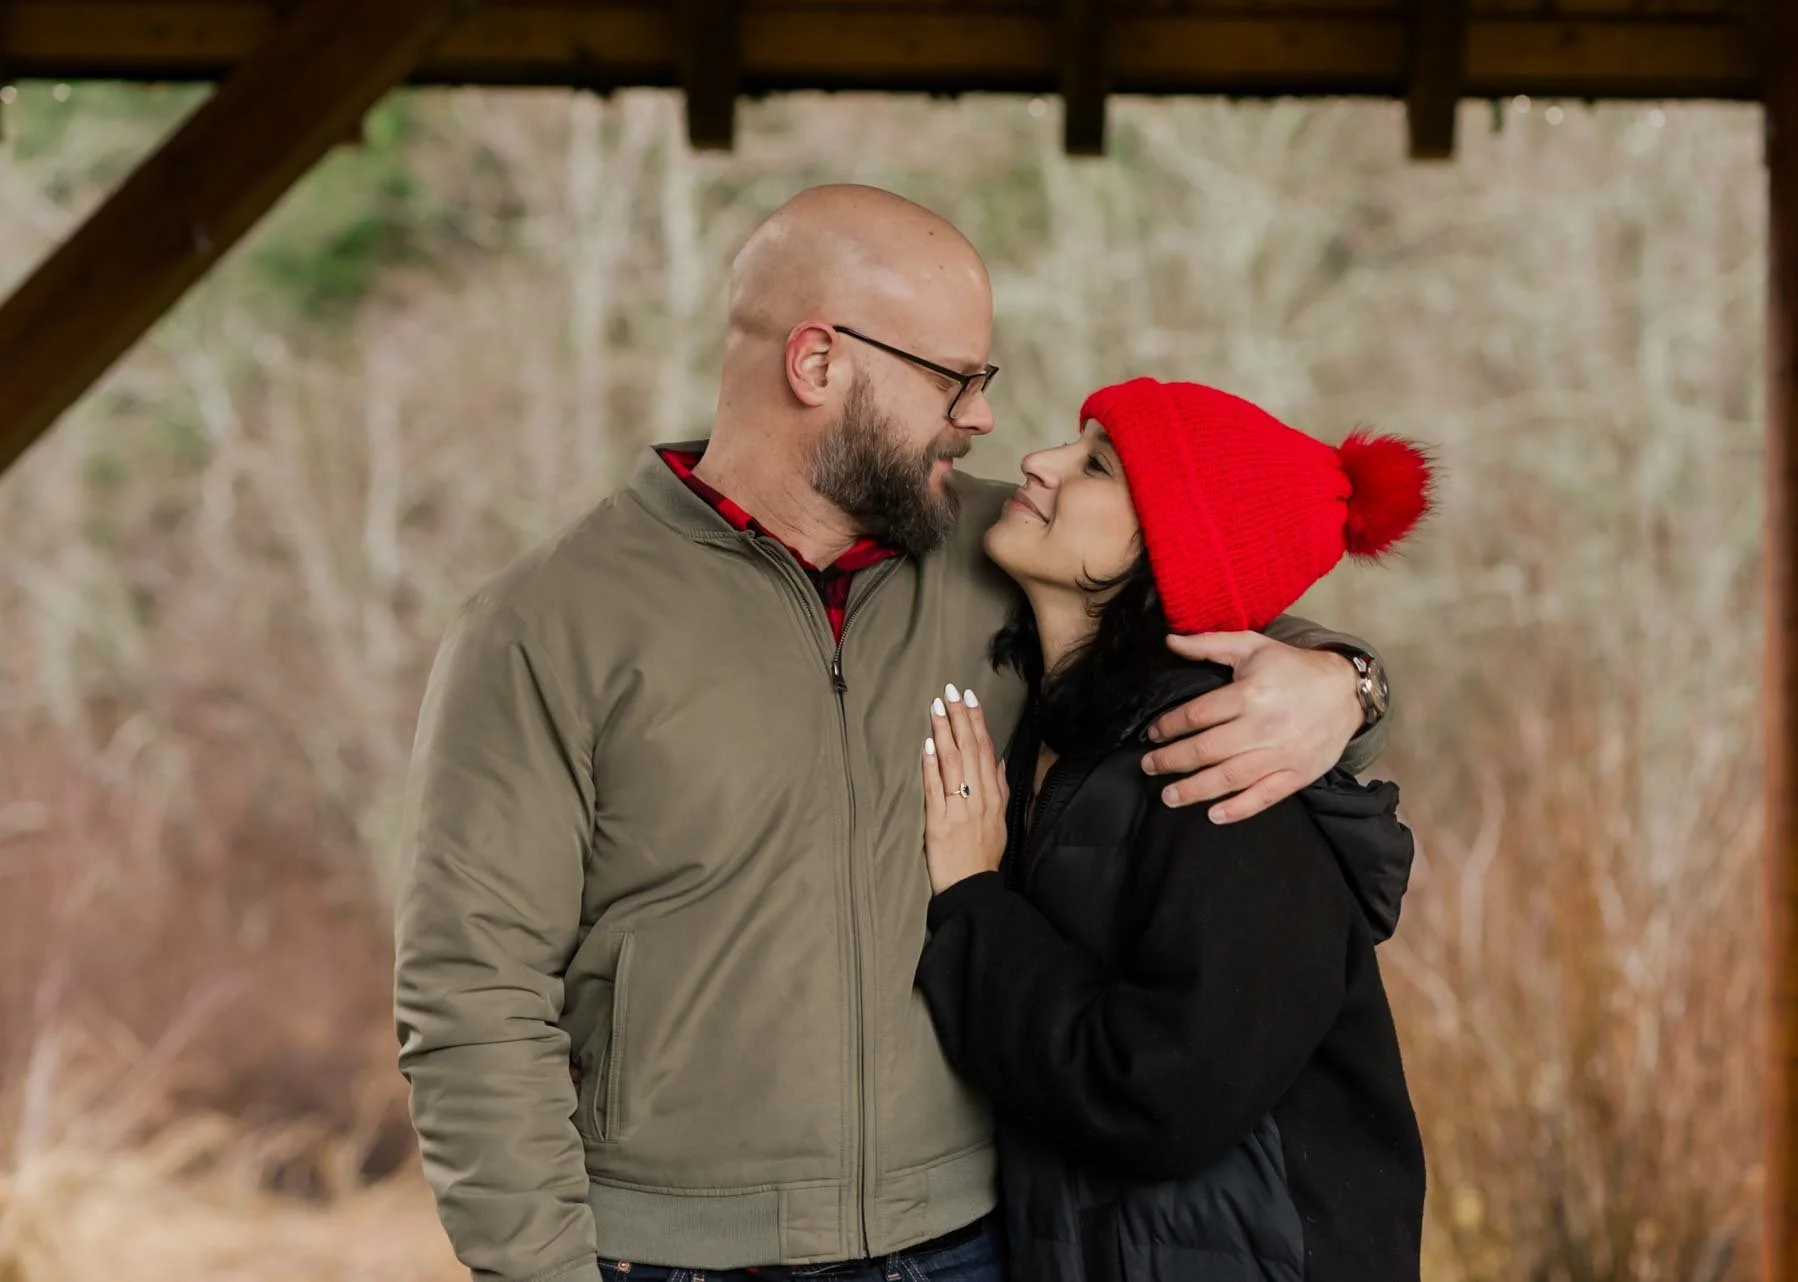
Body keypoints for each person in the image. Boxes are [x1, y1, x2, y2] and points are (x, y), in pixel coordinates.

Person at [393, 187, 1401, 1282]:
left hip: (977, 1245)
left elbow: (1213, 602)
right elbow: (472, 995)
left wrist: (1350, 682)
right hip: (678, 1258)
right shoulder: (545, 623)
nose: (982, 421)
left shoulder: (1005, 552)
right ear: (817, 364)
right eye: (955, 379)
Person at [914, 378, 1430, 1282]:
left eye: (1096, 467)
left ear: (1178, 551)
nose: (1037, 462)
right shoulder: (1070, 731)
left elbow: (1164, 1092)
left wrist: (972, 905)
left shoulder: (1222, 774)